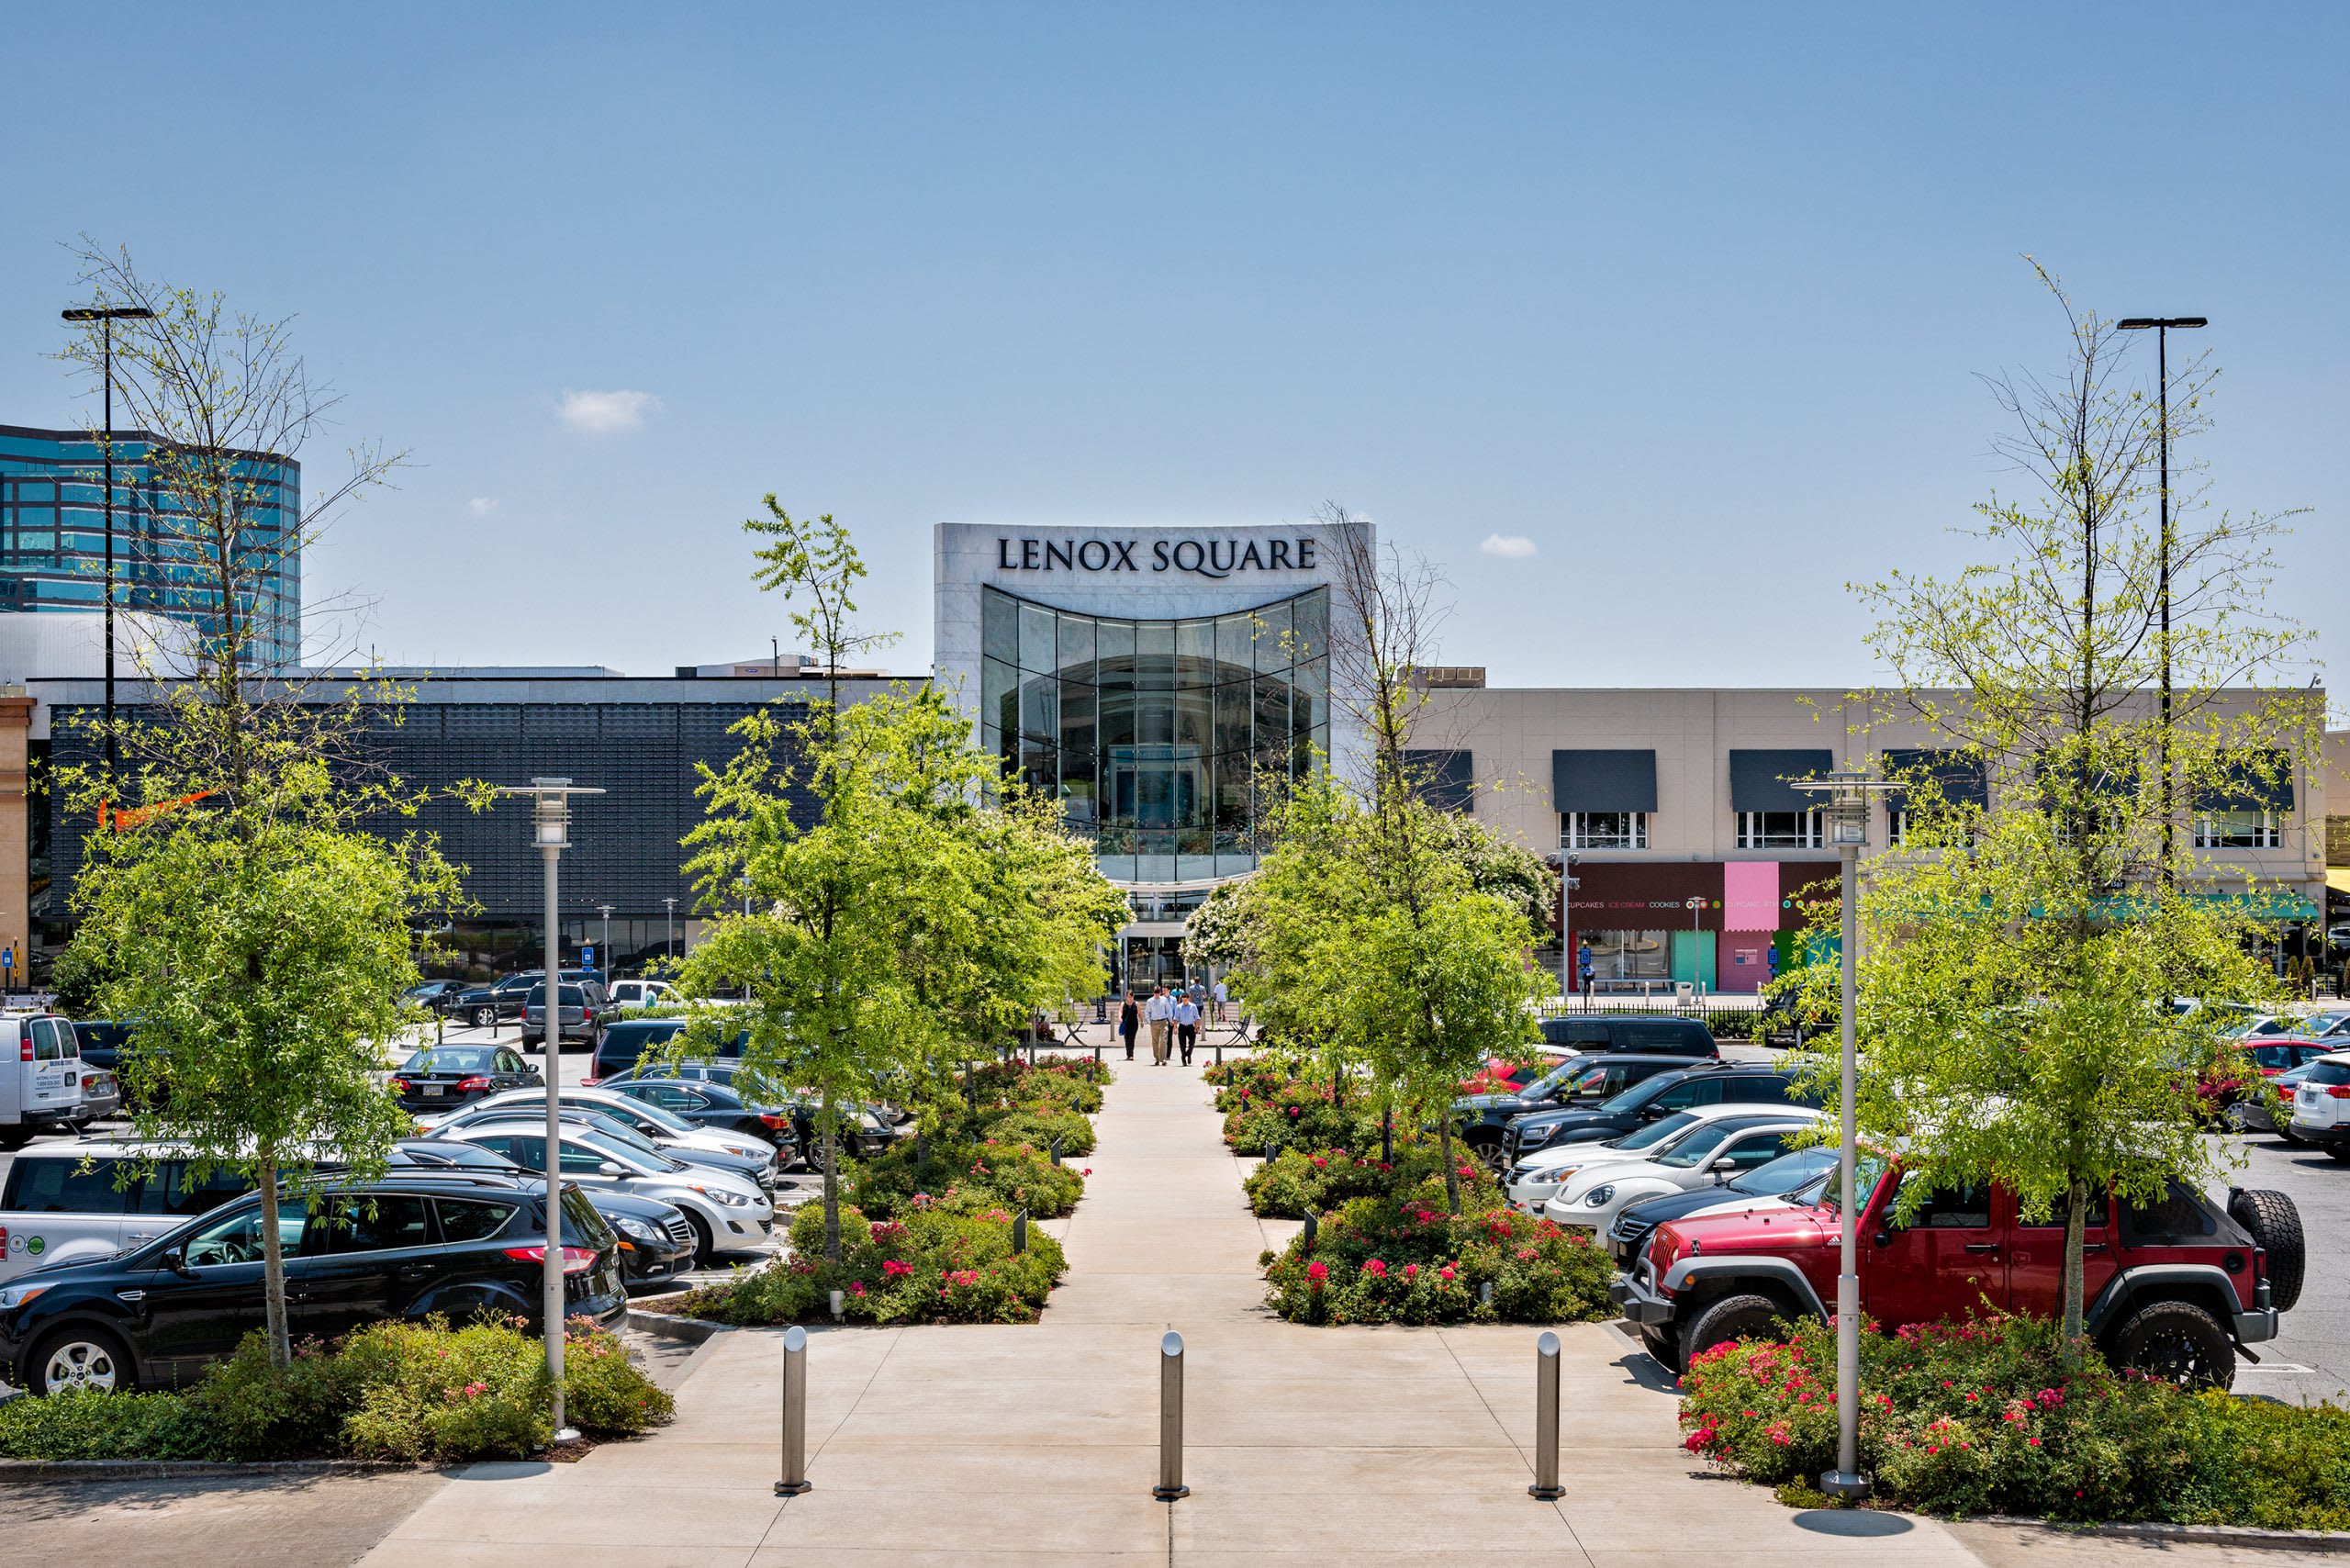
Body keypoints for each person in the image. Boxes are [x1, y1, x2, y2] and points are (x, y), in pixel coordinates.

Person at [1147, 985, 1174, 1064]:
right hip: (1154, 1022)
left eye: (1158, 993)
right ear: (1153, 993)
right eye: (1155, 993)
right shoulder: (1150, 1001)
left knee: (1163, 1040)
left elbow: (1168, 1010)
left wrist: (1170, 1020)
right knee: (1155, 1041)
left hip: (1163, 1022)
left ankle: (1163, 1059)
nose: (1157, 995)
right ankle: (1157, 1058)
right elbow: (1147, 1012)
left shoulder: (1164, 999)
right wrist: (1149, 1022)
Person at [1174, 991, 1200, 1065]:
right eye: (1183, 1000)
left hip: (1191, 1027)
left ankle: (1188, 1054)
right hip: (1182, 1027)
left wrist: (1198, 1027)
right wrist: (1175, 1028)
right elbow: (1176, 1018)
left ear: (1188, 999)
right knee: (1182, 1044)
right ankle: (1183, 1058)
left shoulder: (1193, 1006)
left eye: (1185, 1000)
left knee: (1192, 1043)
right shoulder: (1178, 1007)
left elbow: (1197, 1017)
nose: (1184, 1002)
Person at [1117, 991, 1141, 1060]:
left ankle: (1131, 1055)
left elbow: (1139, 1013)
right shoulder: (1123, 1003)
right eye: (1129, 997)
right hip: (1125, 1024)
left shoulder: (1136, 1004)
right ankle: (1128, 1054)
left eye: (1131, 997)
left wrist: (1142, 1021)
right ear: (1126, 996)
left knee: (1131, 1038)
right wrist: (1119, 1018)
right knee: (1127, 1039)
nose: (1130, 998)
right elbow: (1120, 1011)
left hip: (1134, 1024)